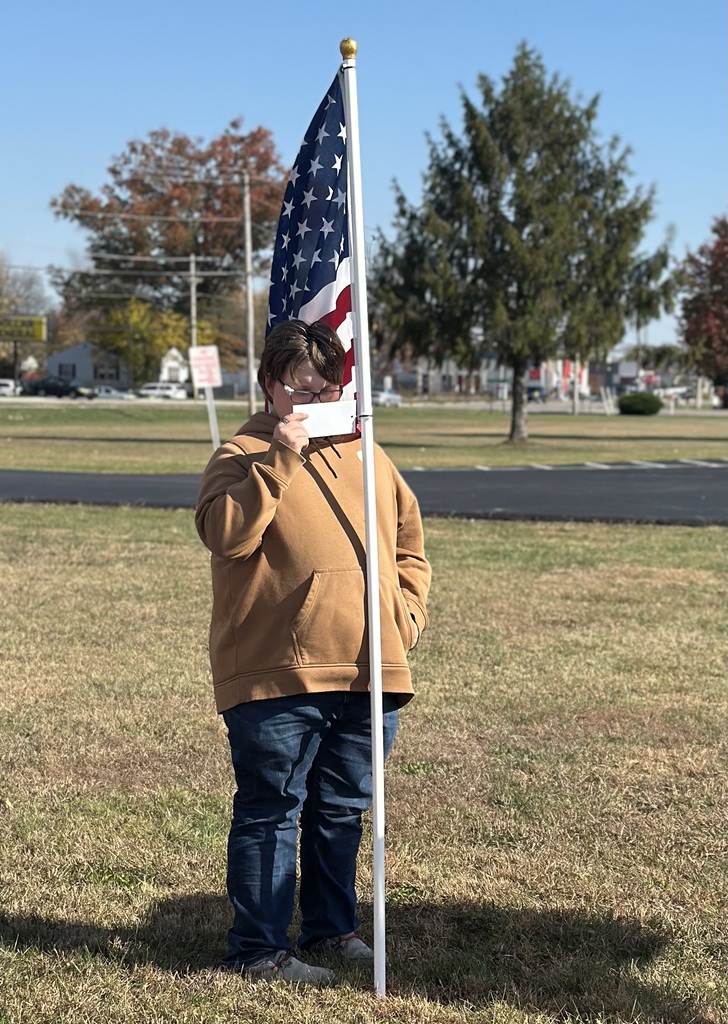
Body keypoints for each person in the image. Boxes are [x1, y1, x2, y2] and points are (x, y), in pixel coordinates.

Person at [195, 320, 431, 986]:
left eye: (330, 386)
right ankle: (258, 950)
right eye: (304, 388)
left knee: (340, 810)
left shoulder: (368, 455)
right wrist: (281, 458)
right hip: (279, 673)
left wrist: (403, 615)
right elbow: (226, 536)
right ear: (273, 386)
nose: (320, 398)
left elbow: (410, 541)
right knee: (272, 809)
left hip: (370, 668)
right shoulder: (239, 454)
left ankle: (331, 930)